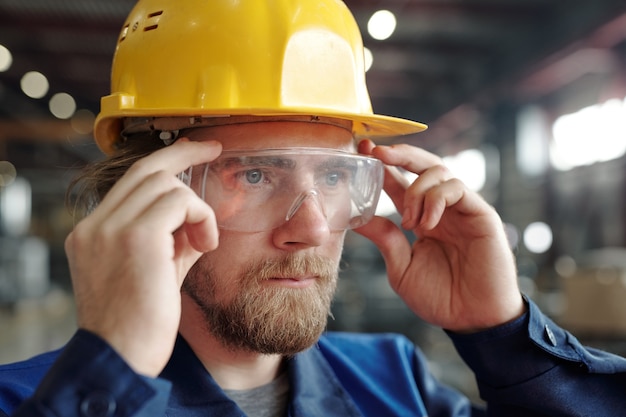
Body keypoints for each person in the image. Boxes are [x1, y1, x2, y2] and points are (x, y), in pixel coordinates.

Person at [1, 0, 626, 416]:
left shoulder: (395, 383)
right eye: (252, 173)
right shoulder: (28, 399)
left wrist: (506, 336)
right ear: (143, 193)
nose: (312, 228)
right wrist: (107, 379)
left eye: (334, 175)